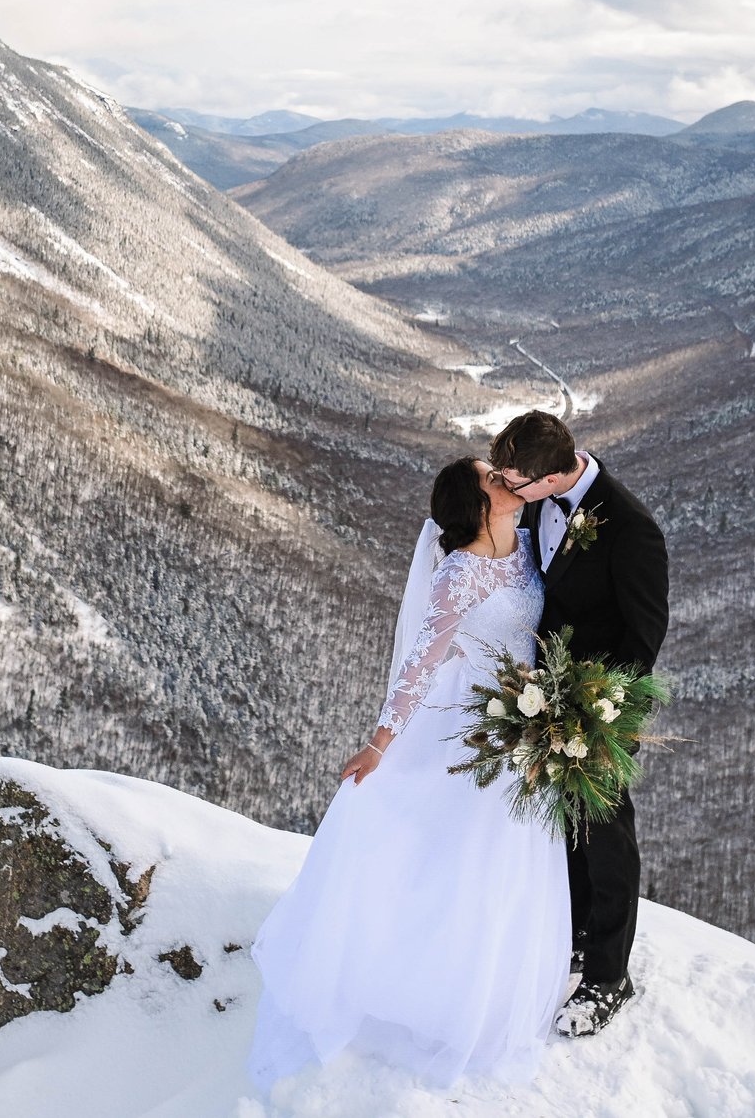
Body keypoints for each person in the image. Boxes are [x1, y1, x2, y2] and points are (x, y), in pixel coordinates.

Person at [248, 458, 574, 1089]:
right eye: (491, 478)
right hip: (470, 719)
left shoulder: (530, 541)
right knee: (457, 856)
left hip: (523, 716)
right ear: (474, 502)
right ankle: (426, 986)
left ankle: (494, 982)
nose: (506, 480)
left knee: (510, 858)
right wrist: (379, 743)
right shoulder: (456, 574)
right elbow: (420, 665)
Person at [487, 409, 669, 1037]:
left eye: (516, 483)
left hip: (601, 708)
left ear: (549, 476)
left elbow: (645, 635)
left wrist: (597, 707)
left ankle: (609, 976)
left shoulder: (632, 527)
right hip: (545, 697)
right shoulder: (540, 503)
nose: (509, 492)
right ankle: (578, 935)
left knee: (607, 837)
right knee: (566, 831)